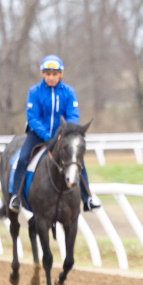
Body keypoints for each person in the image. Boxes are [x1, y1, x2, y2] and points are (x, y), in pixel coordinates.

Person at [8, 55, 98, 213]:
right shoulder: (34, 91)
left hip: (62, 134)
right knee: (22, 159)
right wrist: (46, 135)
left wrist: (62, 132)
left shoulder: (69, 91)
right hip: (37, 134)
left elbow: (73, 116)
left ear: (60, 75)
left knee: (76, 160)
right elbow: (32, 117)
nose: (51, 77)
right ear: (43, 74)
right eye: (48, 74)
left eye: (55, 74)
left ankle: (87, 199)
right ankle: (15, 196)